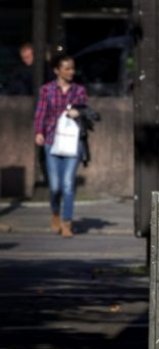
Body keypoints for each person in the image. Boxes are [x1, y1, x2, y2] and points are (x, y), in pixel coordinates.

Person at [33, 53, 87, 238]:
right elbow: (41, 112)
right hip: (51, 141)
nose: (71, 71)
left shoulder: (78, 90)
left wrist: (77, 112)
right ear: (57, 70)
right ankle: (55, 213)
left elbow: (85, 110)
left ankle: (67, 222)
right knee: (55, 186)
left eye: (72, 68)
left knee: (68, 184)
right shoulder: (46, 90)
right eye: (67, 68)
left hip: (73, 142)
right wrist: (39, 132)